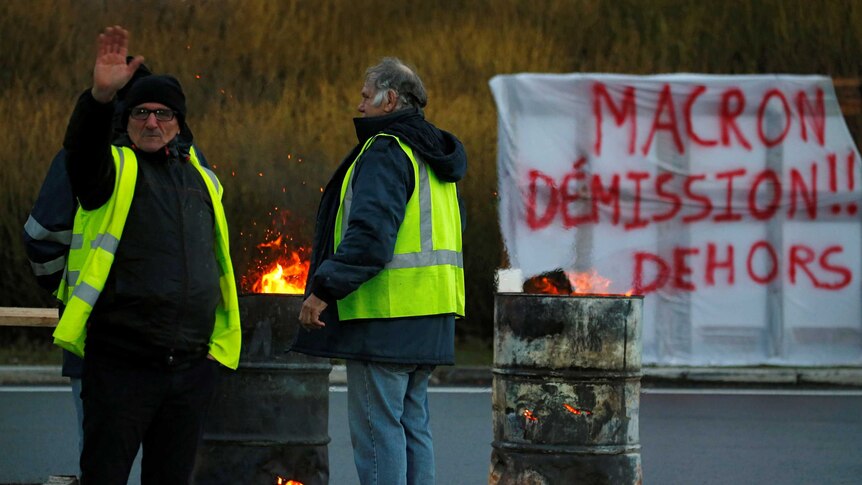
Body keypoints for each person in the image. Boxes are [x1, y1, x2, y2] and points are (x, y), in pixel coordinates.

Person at [51, 25, 241, 484]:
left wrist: (210, 358)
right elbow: (80, 152)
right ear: (126, 117)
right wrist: (98, 98)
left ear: (180, 122)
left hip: (191, 370)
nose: (151, 122)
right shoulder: (112, 169)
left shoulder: (204, 180)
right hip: (122, 367)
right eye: (140, 112)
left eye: (162, 114)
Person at [294, 57, 467, 485]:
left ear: (390, 99)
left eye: (366, 94)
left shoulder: (386, 149)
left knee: (378, 434)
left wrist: (324, 289)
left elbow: (370, 237)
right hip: (432, 315)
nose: (359, 103)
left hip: (385, 319)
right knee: (413, 429)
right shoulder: (432, 153)